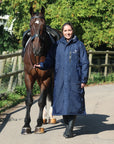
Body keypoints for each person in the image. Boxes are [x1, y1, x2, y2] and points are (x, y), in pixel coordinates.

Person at [34, 22, 89, 138]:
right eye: (65, 31)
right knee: (62, 105)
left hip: (75, 80)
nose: (67, 33)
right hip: (60, 80)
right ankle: (68, 125)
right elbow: (50, 60)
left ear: (72, 31)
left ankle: (69, 130)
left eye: (69, 30)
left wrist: (83, 79)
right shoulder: (57, 46)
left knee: (73, 105)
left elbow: (85, 63)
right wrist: (42, 65)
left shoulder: (79, 45)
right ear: (62, 32)